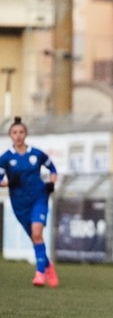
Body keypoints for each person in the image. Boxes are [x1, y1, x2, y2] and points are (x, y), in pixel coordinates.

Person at [0, 117, 59, 287]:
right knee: (35, 237)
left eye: (21, 132)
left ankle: (40, 274)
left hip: (38, 197)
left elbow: (52, 169)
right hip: (19, 203)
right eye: (14, 132)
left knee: (37, 233)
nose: (18, 135)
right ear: (10, 135)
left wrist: (51, 182)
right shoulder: (5, 158)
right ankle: (48, 266)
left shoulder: (36, 154)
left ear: (25, 134)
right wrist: (9, 182)